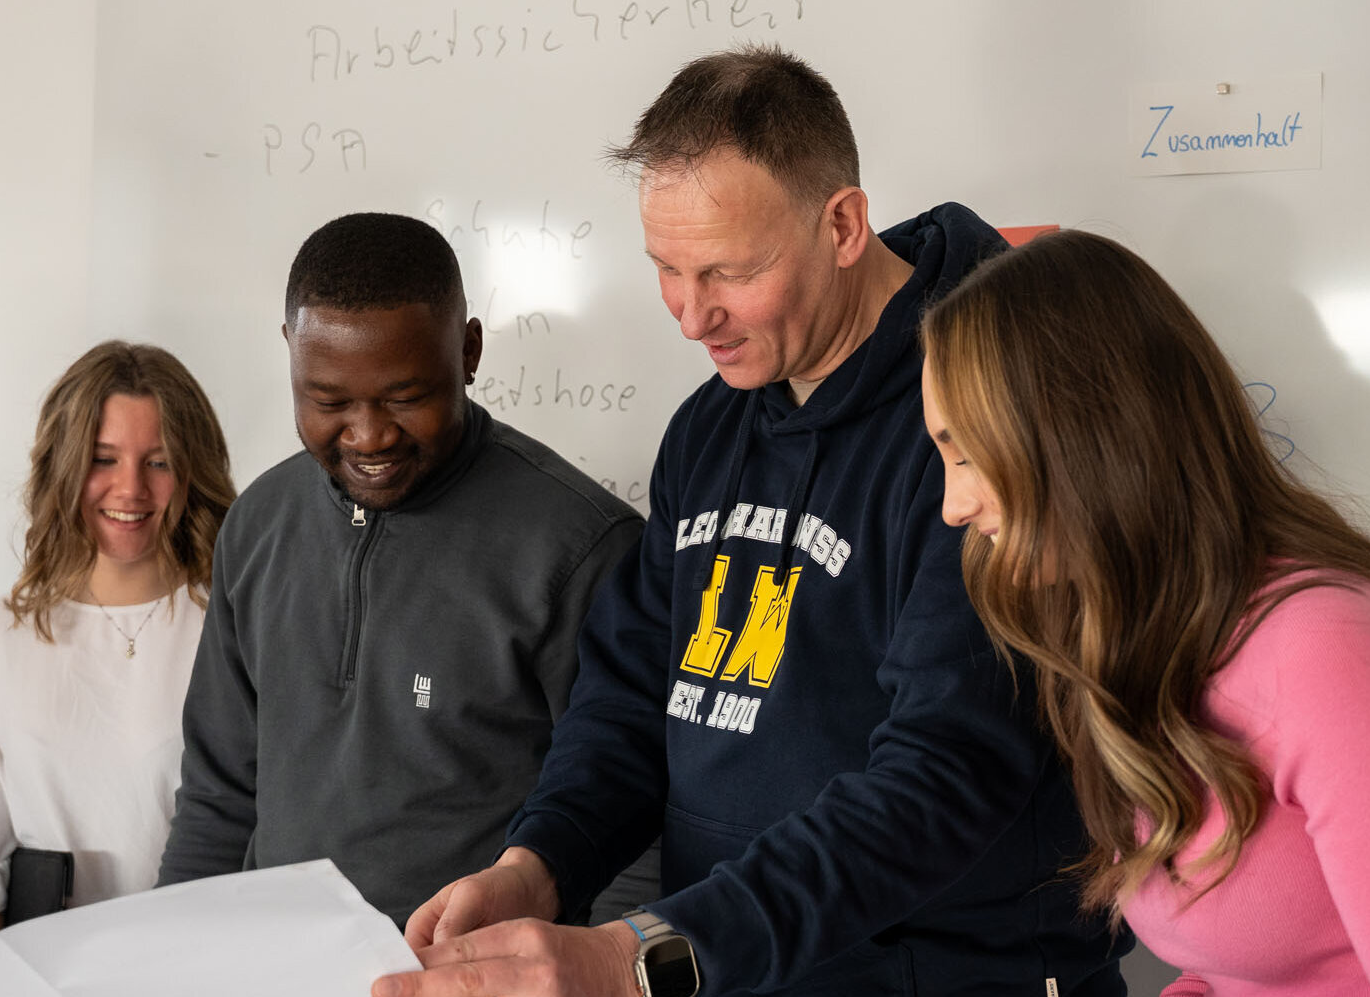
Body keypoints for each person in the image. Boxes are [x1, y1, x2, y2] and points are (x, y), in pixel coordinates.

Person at [384, 48, 1126, 997]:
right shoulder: (709, 426)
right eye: (666, 270)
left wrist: (636, 954)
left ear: (844, 224)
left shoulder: (984, 427)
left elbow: (943, 775)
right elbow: (630, 696)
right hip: (726, 971)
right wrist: (541, 865)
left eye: (730, 271)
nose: (693, 319)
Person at [918, 229, 1370, 997]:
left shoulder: (1331, 655)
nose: (952, 505)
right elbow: (1233, 966)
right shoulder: (1142, 633)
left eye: (967, 453)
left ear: (1083, 437)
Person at [157, 211, 649, 928]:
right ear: (290, 353)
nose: (368, 435)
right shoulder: (258, 525)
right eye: (328, 401)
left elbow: (634, 821)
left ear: (469, 351)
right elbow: (219, 793)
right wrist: (173, 956)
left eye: (405, 398)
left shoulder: (581, 550)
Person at [0, 341, 236, 933]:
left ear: (191, 470)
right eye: (103, 459)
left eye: (157, 462)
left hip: (205, 964)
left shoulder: (235, 625)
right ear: (64, 466)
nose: (130, 490)